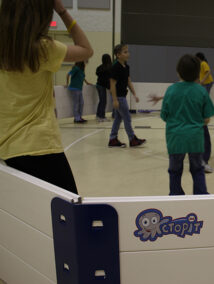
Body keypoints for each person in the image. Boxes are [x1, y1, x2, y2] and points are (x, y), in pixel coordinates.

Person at [0, 0, 93, 194]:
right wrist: (62, 11)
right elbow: (86, 49)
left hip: (7, 148)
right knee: (68, 211)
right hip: (41, 145)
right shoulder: (42, 48)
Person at [161, 54, 214, 195]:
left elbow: (164, 116)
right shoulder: (201, 91)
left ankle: (176, 195)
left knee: (174, 171)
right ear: (198, 72)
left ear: (178, 71)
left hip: (175, 138)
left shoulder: (171, 90)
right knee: (197, 169)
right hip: (195, 139)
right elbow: (207, 119)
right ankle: (200, 195)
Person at [108, 44, 146, 148]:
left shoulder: (126, 66)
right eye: (125, 52)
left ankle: (112, 139)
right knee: (127, 118)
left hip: (122, 96)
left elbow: (128, 81)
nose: (127, 54)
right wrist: (114, 99)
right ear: (118, 55)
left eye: (127, 51)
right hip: (118, 97)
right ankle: (132, 139)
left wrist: (134, 94)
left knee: (118, 118)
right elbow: (112, 84)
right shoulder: (115, 67)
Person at [196, 52, 214, 173]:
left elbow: (208, 71)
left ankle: (202, 160)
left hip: (207, 83)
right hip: (204, 83)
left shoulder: (203, 63)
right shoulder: (199, 64)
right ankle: (202, 160)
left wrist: (202, 80)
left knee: (203, 99)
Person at [95, 54, 112, 122]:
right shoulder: (109, 68)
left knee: (102, 101)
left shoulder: (99, 67)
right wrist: (110, 87)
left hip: (98, 85)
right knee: (103, 101)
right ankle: (101, 116)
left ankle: (98, 115)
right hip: (102, 86)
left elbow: (97, 74)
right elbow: (108, 79)